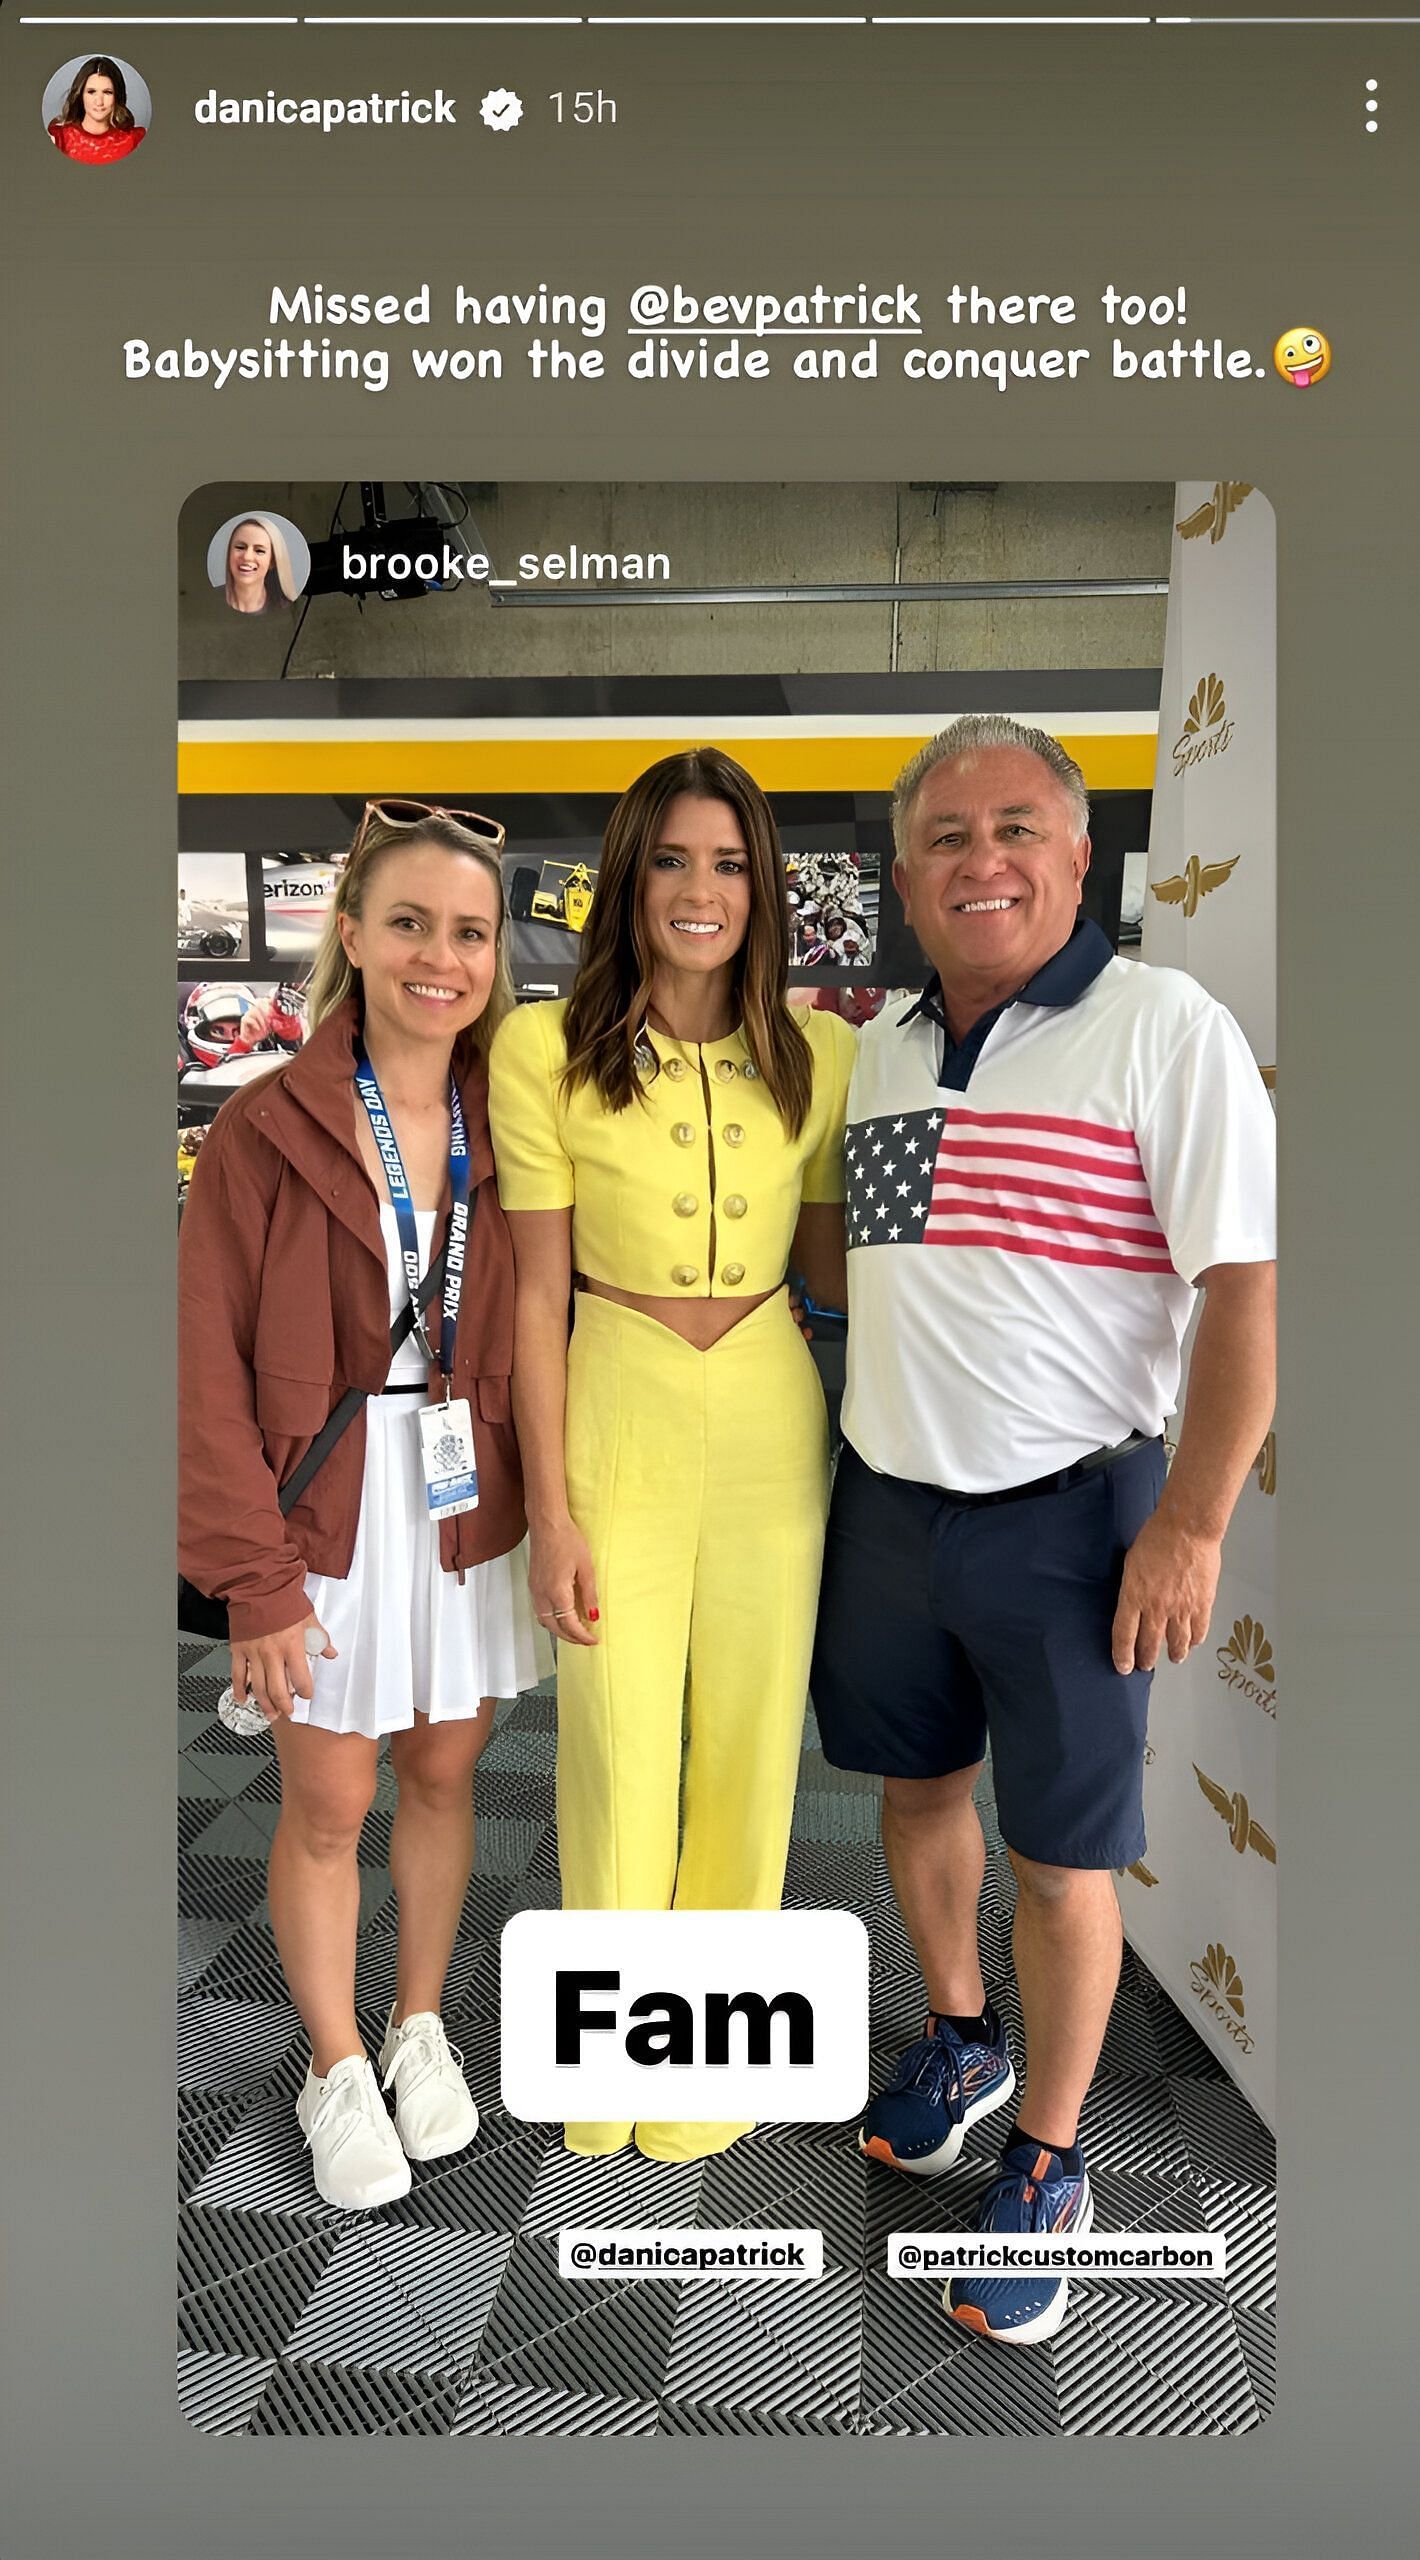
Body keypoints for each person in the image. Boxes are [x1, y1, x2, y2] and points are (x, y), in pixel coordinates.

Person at [810, 713, 1276, 2346]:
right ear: (902, 873)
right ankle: (957, 2033)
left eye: (1015, 827)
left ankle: (1049, 2159)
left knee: (1061, 1861)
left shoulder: (1162, 1026)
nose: (978, 859)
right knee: (916, 1791)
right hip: (882, 1500)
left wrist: (1191, 1520)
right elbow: (861, 1267)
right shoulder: (873, 1044)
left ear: (1078, 858)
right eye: (942, 837)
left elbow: (1239, 1288)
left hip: (1072, 1517)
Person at [179, 800, 550, 2211]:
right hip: (319, 1504)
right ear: (350, 934)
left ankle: (417, 2021)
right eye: (408, 924)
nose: (439, 957)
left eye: (467, 931)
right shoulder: (264, 1128)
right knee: (329, 1797)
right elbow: (200, 1372)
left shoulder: (515, 1117)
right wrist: (250, 1582)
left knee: (446, 1776)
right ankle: (332, 2061)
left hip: (467, 1494)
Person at [489, 747, 855, 2164]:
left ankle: (708, 2069)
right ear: (627, 877)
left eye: (728, 863)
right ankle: (606, 2064)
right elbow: (531, 1295)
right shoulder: (543, 1050)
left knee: (754, 1746)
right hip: (616, 1402)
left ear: (762, 886)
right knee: (615, 1744)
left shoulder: (818, 1054)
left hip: (769, 1407)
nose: (701, 891)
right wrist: (552, 1509)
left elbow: (834, 1263)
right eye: (671, 860)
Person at [47, 57, 146, 164]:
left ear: (117, 96)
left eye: (107, 92)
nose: (99, 102)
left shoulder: (136, 140)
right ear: (80, 95)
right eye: (91, 92)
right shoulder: (58, 138)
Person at [223, 516, 298, 614]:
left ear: (272, 561)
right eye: (240, 547)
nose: (247, 557)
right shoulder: (208, 599)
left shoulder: (285, 608)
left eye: (259, 551)